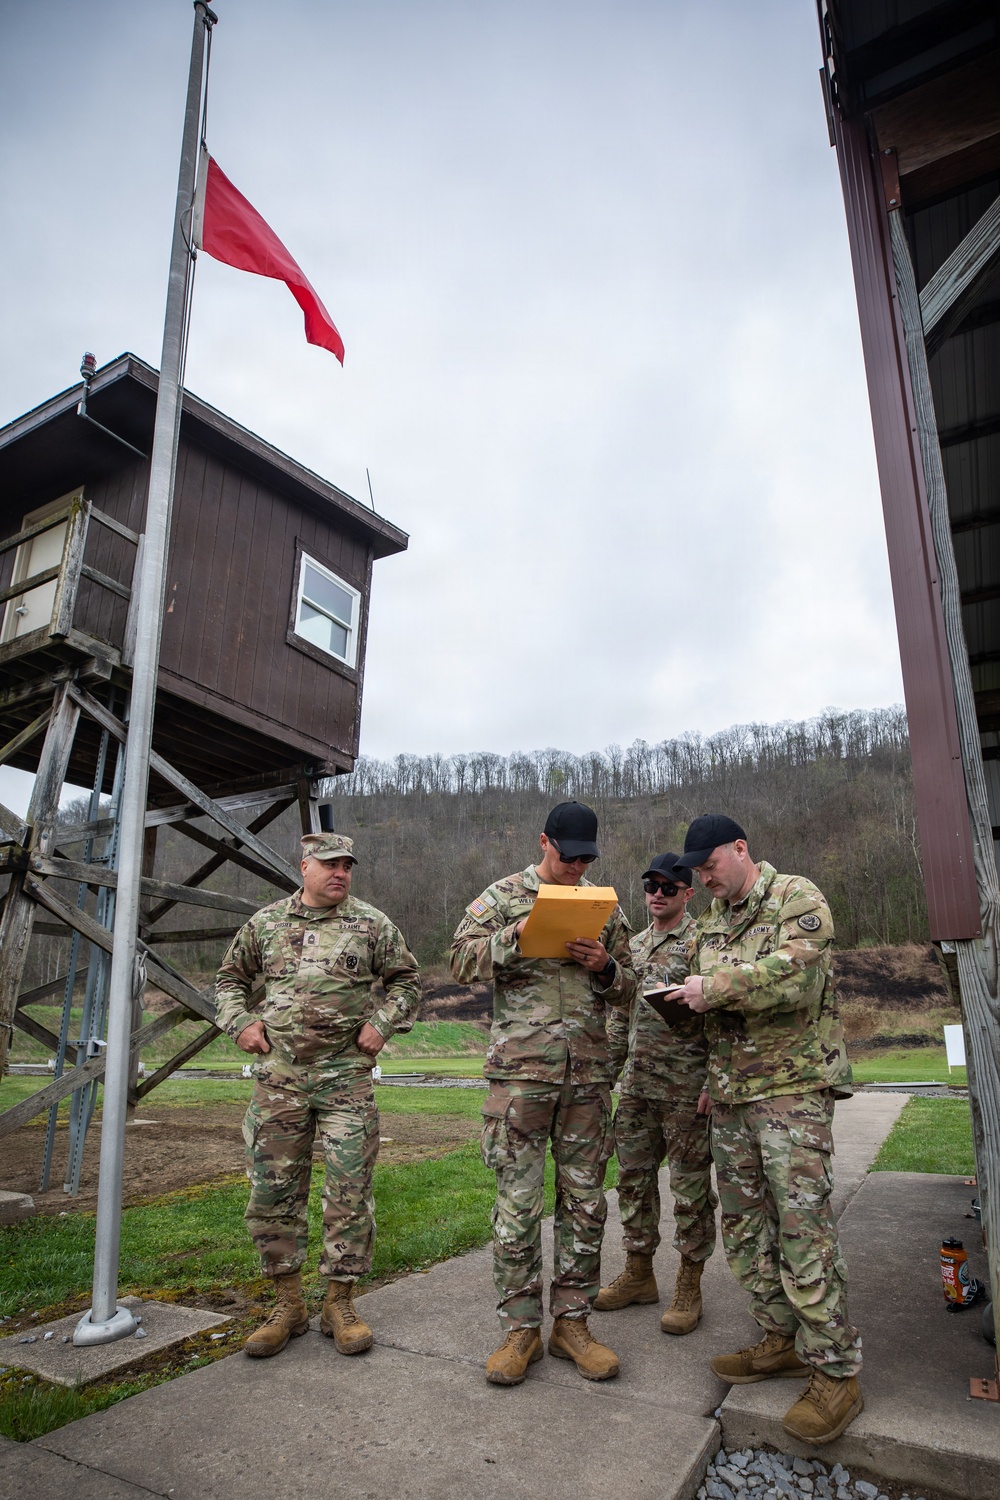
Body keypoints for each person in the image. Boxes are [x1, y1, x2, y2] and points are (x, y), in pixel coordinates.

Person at [672, 814, 861, 1445]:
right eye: (697, 872)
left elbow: (798, 978)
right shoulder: (711, 924)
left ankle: (836, 1372)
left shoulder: (796, 898)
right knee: (747, 1228)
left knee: (802, 1228)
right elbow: (713, 1013)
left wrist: (714, 987)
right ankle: (779, 1337)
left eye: (710, 867)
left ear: (741, 849)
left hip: (791, 1092)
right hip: (729, 1096)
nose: (704, 879)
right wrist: (681, 1006)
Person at [449, 800, 636, 1386]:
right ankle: (520, 1329)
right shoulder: (502, 897)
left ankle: (572, 1324)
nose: (578, 867)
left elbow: (633, 987)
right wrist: (517, 935)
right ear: (543, 844)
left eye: (587, 859)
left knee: (584, 1204)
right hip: (521, 1080)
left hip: (586, 1081)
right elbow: (458, 960)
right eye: (569, 856)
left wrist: (606, 967)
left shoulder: (605, 907)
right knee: (519, 1205)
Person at [215, 831, 420, 1360]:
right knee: (273, 1192)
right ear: (304, 867)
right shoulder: (265, 924)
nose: (340, 873)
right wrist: (238, 1022)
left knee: (349, 1189)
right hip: (279, 1081)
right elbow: (228, 980)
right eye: (330, 864)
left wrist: (383, 1022)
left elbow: (407, 982)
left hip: (345, 1081)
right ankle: (287, 1304)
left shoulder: (371, 924)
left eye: (347, 865)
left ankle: (339, 1302)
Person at [595, 854, 717, 1334]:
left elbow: (722, 1016)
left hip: (686, 1091)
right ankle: (639, 1273)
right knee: (633, 1183)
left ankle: (690, 1282)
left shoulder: (702, 941)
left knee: (689, 1191)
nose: (658, 894)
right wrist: (607, 1076)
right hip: (638, 1089)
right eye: (651, 885)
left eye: (669, 886)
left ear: (689, 892)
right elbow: (621, 1014)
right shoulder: (634, 945)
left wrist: (713, 1080)